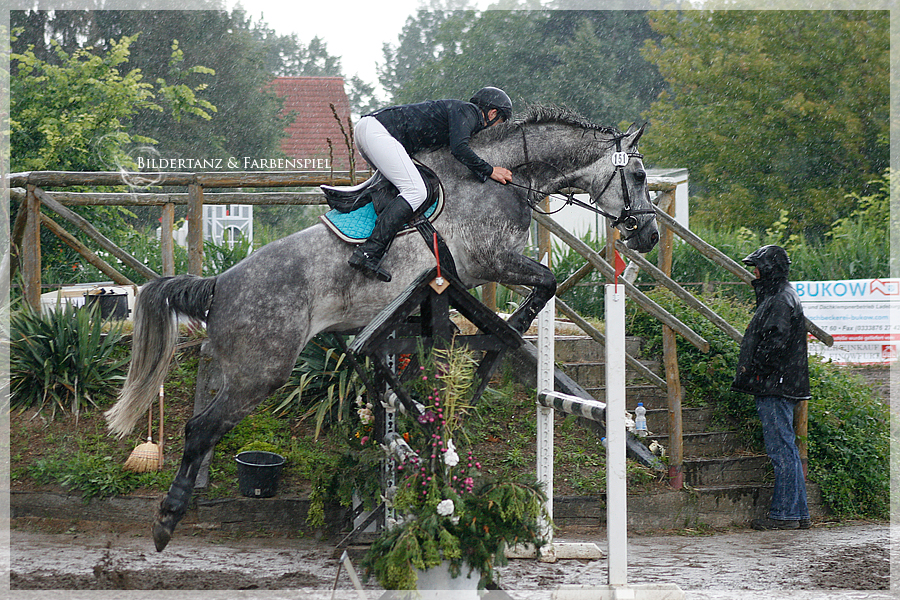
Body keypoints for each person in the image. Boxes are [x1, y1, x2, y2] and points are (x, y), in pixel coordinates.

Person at [348, 86, 514, 282]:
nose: (496, 128)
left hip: (371, 130)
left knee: (408, 187)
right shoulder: (469, 112)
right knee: (416, 191)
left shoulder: (460, 115)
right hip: (378, 132)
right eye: (500, 122)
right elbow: (459, 149)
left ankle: (379, 246)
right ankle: (369, 252)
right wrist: (490, 170)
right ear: (492, 113)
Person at [731, 244, 811, 531]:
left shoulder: (778, 299)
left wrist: (754, 372)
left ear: (768, 270)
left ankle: (786, 514)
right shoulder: (783, 295)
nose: (753, 272)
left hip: (775, 385)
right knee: (787, 450)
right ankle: (797, 513)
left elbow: (774, 343)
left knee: (782, 451)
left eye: (757, 267)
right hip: (783, 382)